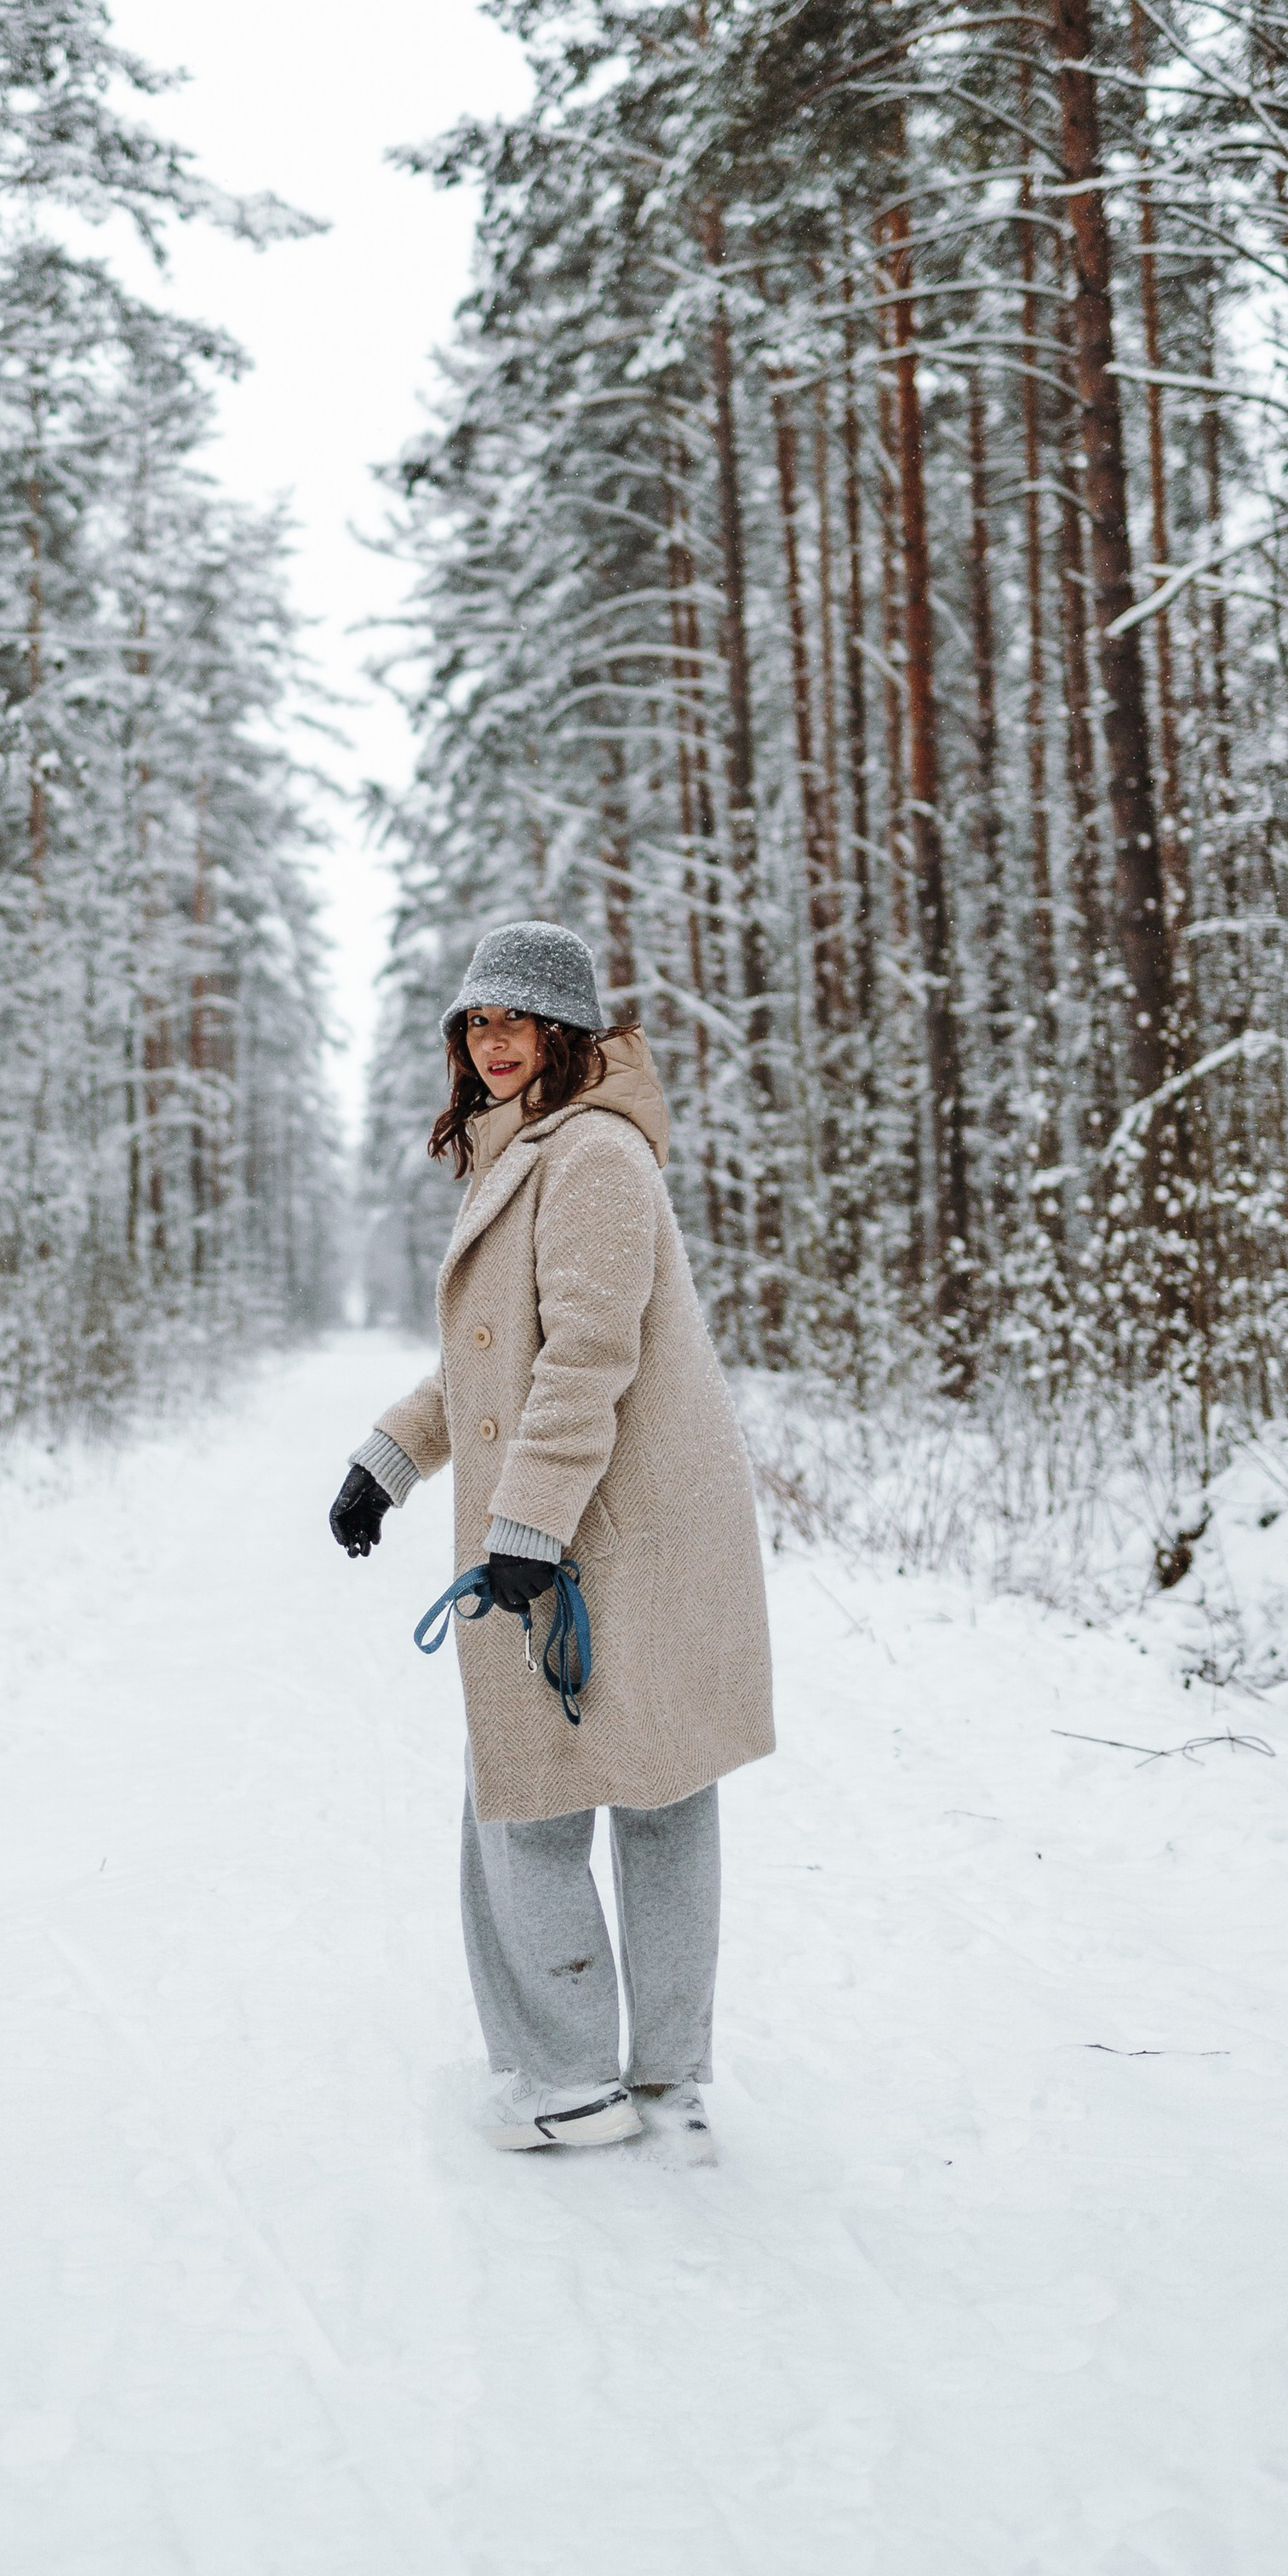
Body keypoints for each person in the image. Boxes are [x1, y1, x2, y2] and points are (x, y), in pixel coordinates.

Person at [331, 918, 775, 2160]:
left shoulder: (592, 1156)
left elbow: (585, 1357)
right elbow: (494, 1362)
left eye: (516, 1020)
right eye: (477, 1022)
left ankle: (583, 2082)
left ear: (566, 1030)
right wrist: (390, 1459)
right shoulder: (533, 1151)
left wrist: (526, 1522)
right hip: (605, 1521)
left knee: (568, 1793)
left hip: (618, 1530)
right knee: (632, 1788)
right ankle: (648, 2080)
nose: (494, 1042)